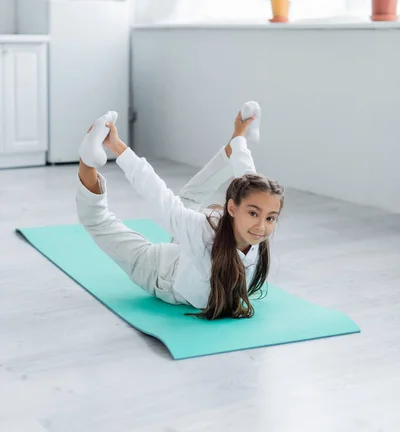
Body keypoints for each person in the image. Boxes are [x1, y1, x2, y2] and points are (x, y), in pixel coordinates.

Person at [76, 112, 285, 320]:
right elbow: (157, 193)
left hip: (186, 263)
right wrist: (117, 146)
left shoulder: (243, 232)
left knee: (190, 199)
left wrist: (239, 137)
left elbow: (245, 171)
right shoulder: (201, 231)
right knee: (97, 220)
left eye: (270, 218)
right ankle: (88, 157)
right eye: (253, 213)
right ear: (232, 208)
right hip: (163, 270)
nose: (261, 226)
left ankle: (87, 160)